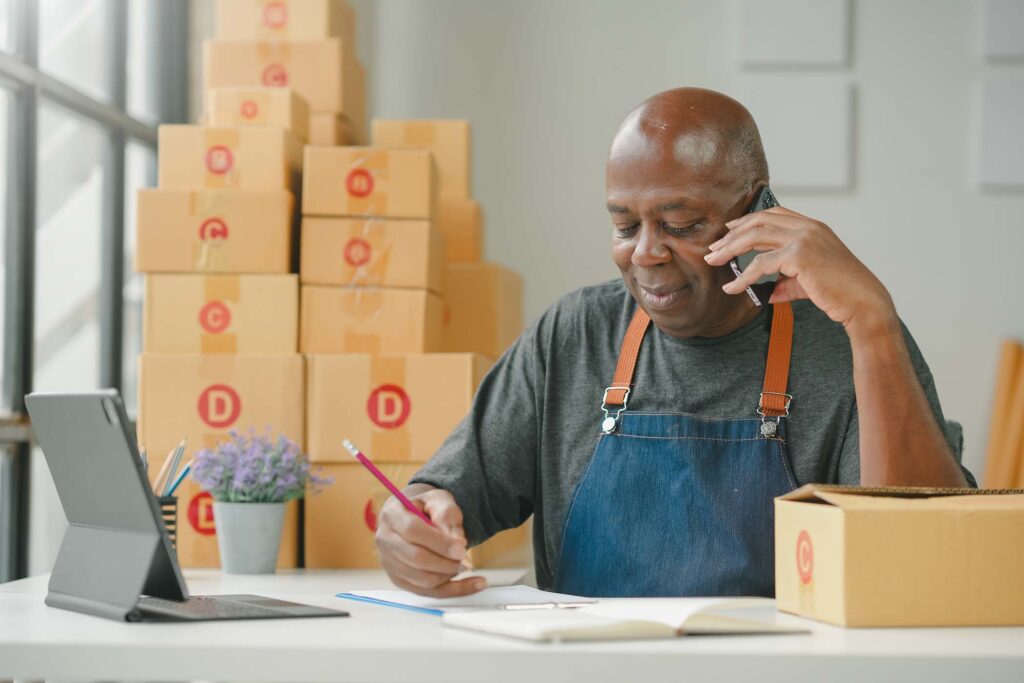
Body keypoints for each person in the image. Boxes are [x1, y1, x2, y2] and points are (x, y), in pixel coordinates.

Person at [374, 87, 975, 599]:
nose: (646, 253)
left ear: (758, 211)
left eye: (681, 226)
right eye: (624, 225)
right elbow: (446, 493)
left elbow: (928, 562)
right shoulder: (575, 336)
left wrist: (874, 323)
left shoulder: (849, 338)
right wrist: (415, 526)